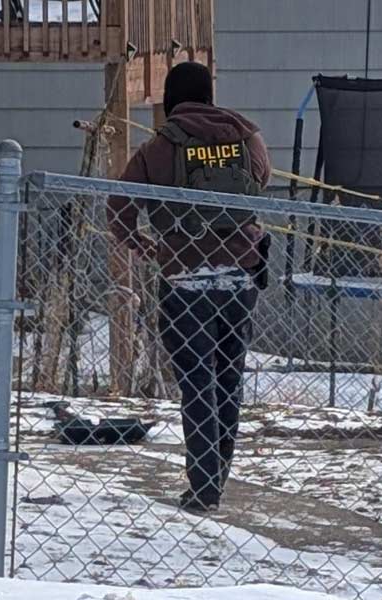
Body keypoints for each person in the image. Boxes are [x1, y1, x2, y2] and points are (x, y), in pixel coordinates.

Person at [107, 62, 272, 512]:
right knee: (228, 377)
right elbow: (260, 183)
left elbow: (119, 203)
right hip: (240, 277)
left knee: (197, 381)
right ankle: (217, 472)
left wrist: (143, 245)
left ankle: (203, 487)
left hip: (184, 279)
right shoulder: (247, 138)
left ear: (171, 99)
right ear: (210, 94)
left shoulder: (159, 148)